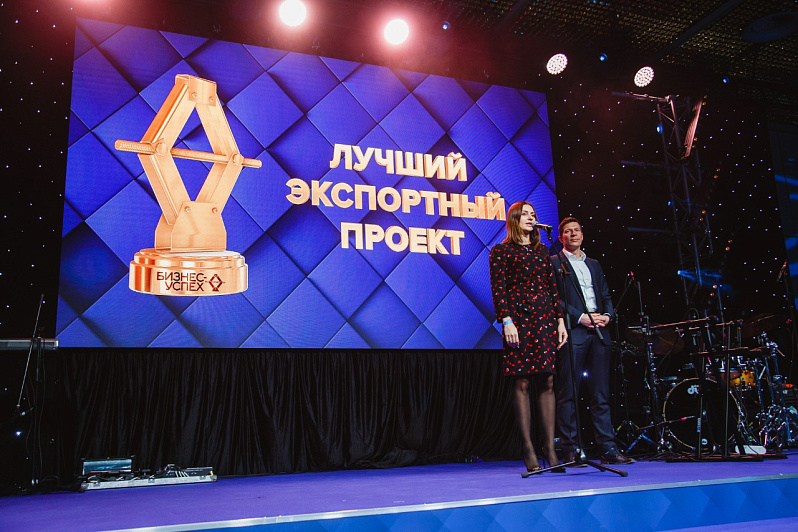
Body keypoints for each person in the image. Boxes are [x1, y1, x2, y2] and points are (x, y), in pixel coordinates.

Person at [489, 201, 568, 473]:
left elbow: (552, 287)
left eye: (533, 214)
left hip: (544, 318)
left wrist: (560, 319)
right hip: (518, 319)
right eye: (525, 214)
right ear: (514, 218)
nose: (531, 218)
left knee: (547, 380)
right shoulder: (501, 251)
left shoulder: (543, 251)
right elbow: (498, 288)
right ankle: (527, 447)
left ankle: (550, 448)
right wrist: (506, 320)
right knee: (521, 381)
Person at [550, 216, 634, 465]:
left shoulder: (594, 264)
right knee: (569, 393)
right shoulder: (554, 262)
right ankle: (571, 449)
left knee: (601, 393)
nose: (573, 234)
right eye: (568, 231)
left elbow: (605, 294)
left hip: (599, 331)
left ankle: (608, 448)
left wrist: (607, 315)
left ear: (582, 234)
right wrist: (580, 317)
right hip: (574, 330)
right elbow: (554, 299)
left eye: (576, 230)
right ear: (561, 237)